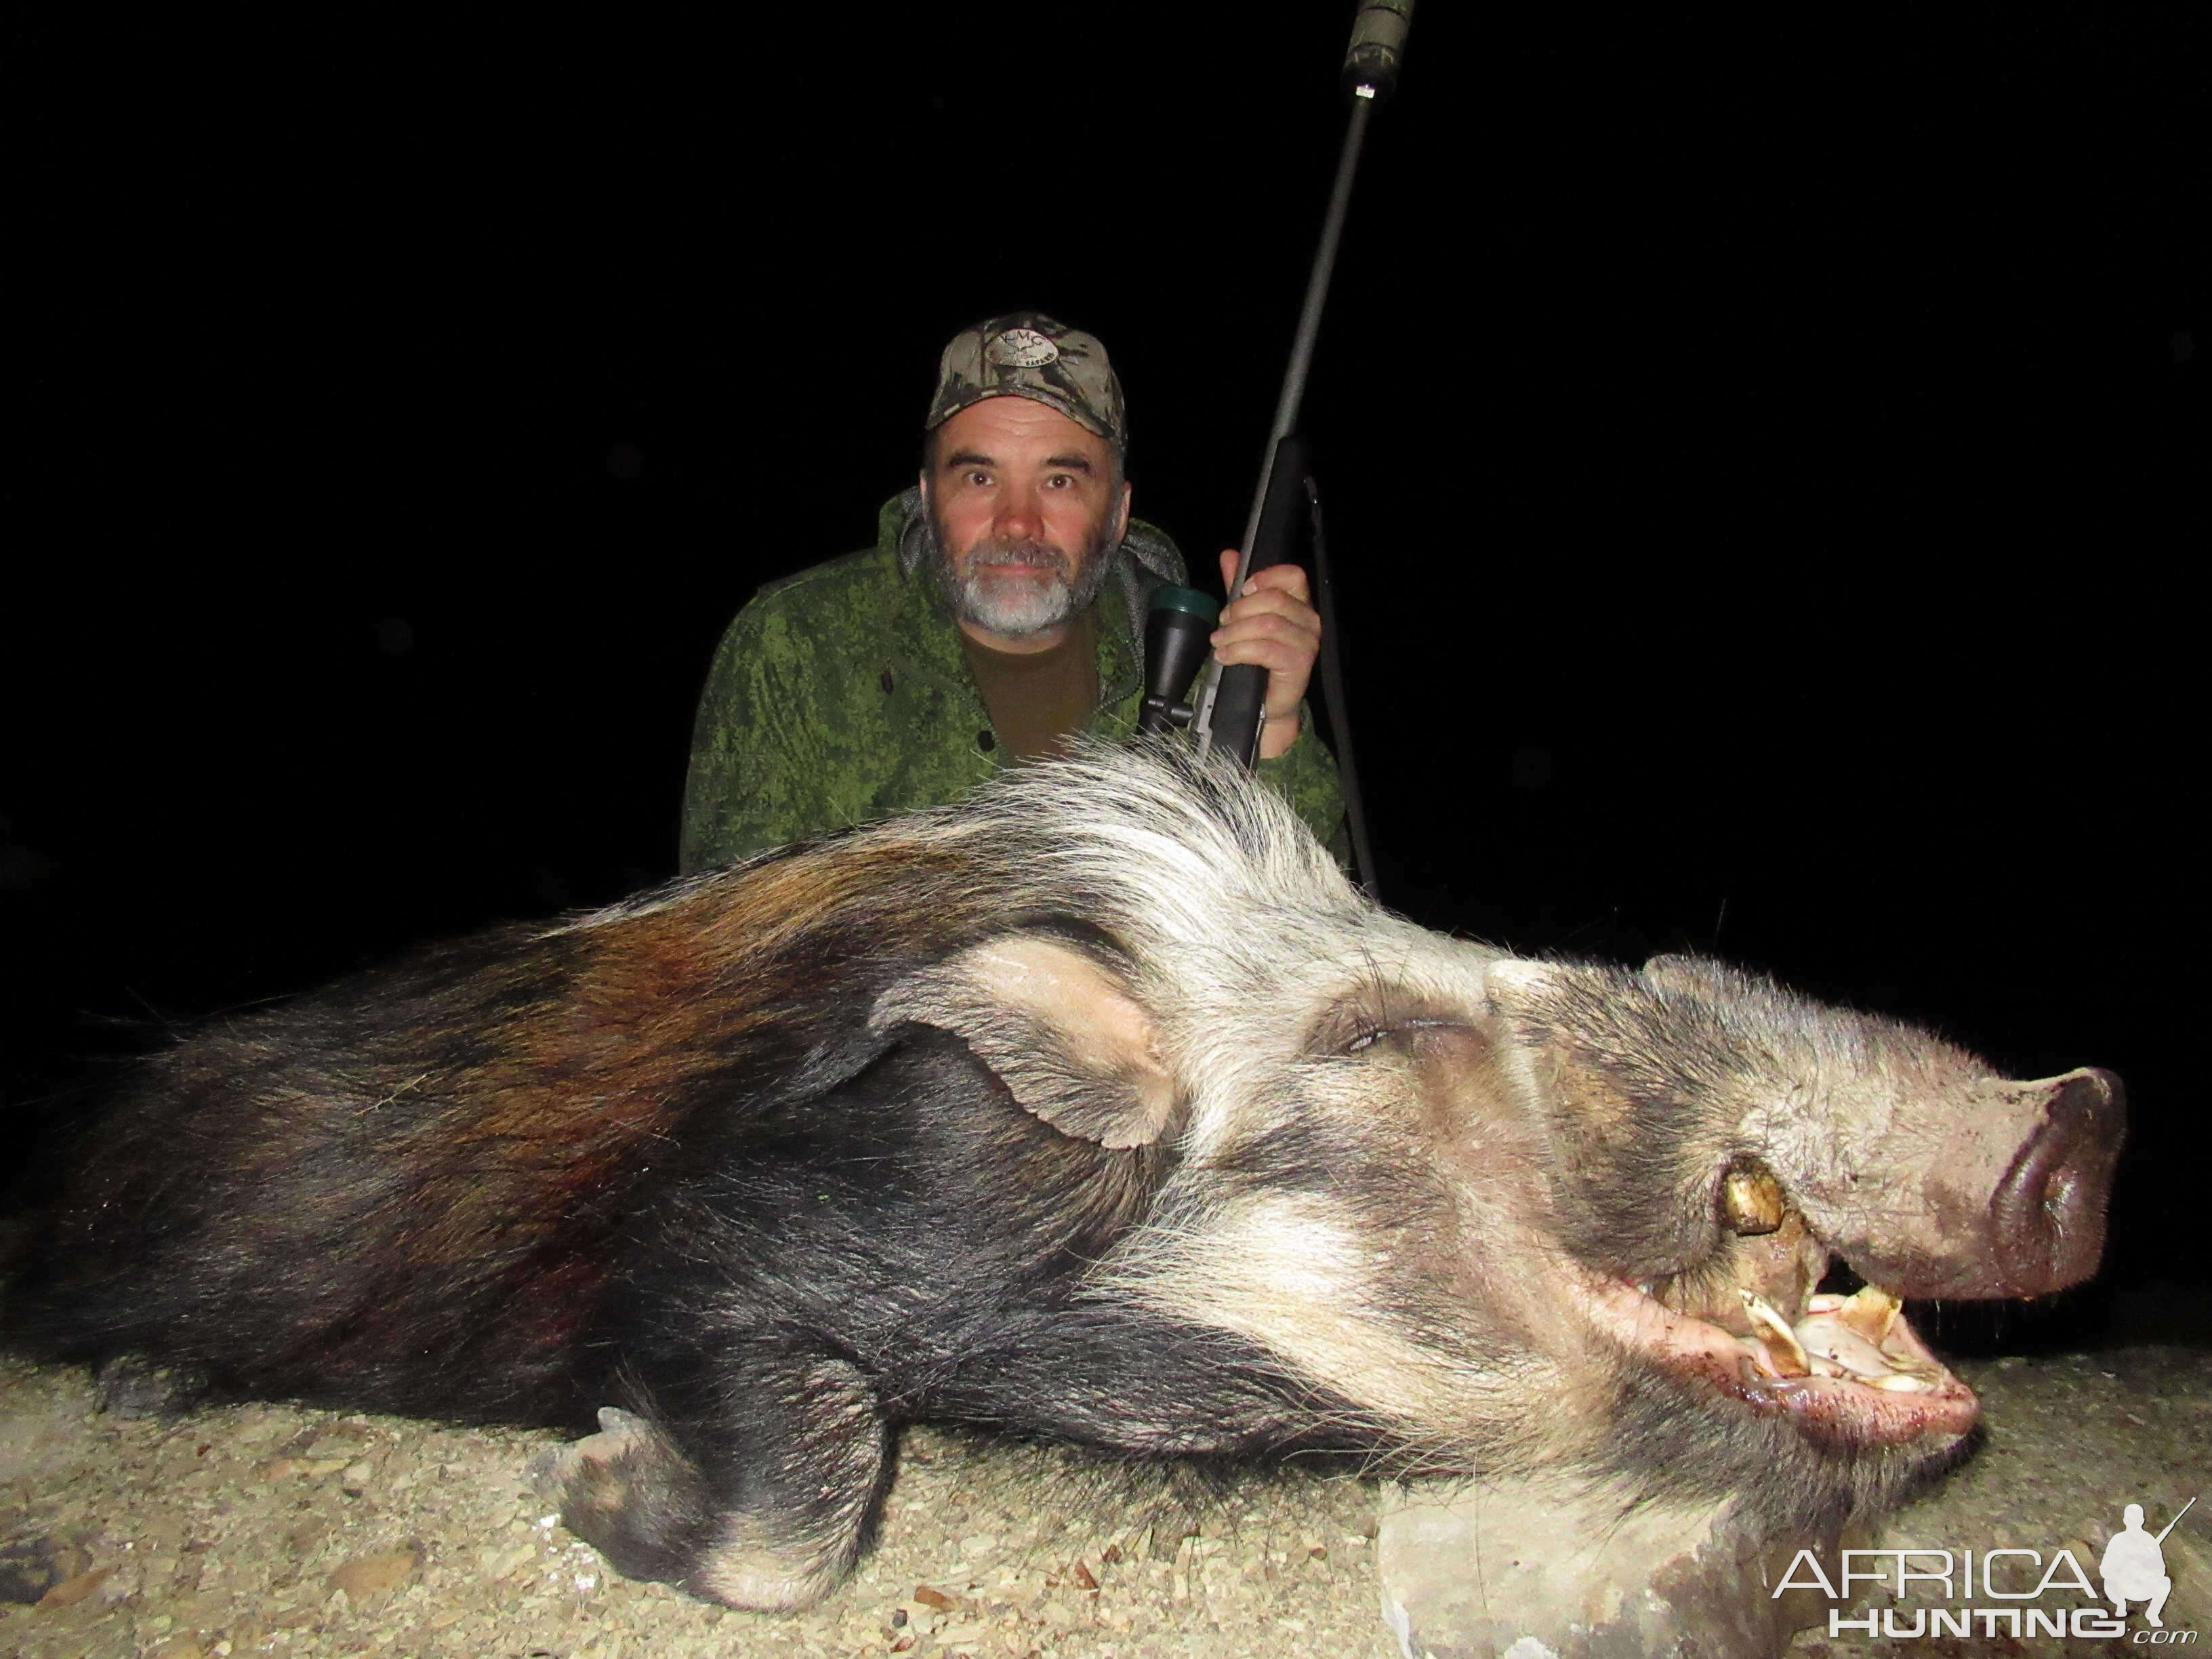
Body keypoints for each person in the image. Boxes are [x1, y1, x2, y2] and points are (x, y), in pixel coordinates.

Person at [678, 312, 1347, 872]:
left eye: (1059, 481)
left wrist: (1278, 722)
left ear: (1117, 512)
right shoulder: (795, 644)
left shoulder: (1213, 667)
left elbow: (1314, 939)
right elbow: (722, 958)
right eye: (979, 479)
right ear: (925, 498)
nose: (1017, 523)